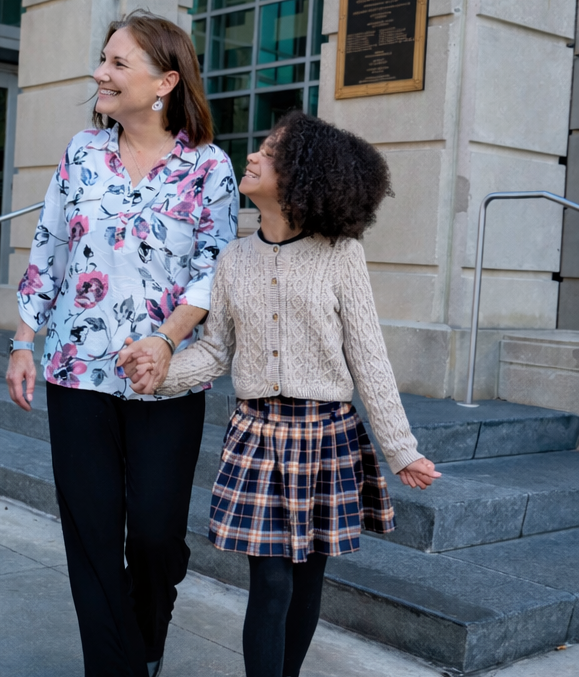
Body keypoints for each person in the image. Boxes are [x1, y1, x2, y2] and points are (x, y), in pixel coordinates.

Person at [120, 110, 440, 677]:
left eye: (268, 151)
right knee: (269, 581)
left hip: (326, 435)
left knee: (307, 578)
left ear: (300, 175)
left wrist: (401, 448)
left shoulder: (341, 255)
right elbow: (217, 352)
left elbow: (368, 356)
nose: (252, 156)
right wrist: (159, 371)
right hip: (258, 436)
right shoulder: (233, 259)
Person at [6, 11, 237, 676]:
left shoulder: (208, 167)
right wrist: (25, 340)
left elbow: (213, 270)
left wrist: (166, 342)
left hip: (165, 381)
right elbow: (49, 248)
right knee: (93, 537)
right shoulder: (82, 152)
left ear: (165, 82)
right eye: (102, 60)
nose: (100, 74)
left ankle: (146, 632)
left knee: (159, 534)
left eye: (116, 64)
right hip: (76, 372)